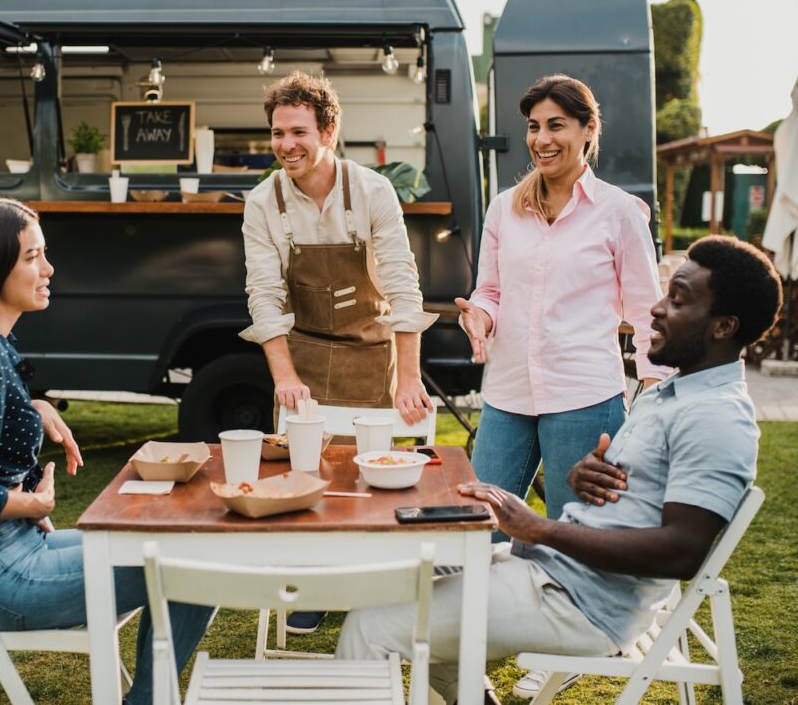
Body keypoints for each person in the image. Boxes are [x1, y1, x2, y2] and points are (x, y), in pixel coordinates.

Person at [338, 235, 782, 704]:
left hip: (581, 603)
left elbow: (681, 551)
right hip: (556, 574)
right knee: (398, 577)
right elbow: (637, 494)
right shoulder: (671, 393)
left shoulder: (716, 416)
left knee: (371, 626)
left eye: (677, 300)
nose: (654, 309)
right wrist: (583, 476)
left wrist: (539, 529)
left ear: (723, 326)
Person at [0, 198, 212, 705]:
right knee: (193, 566)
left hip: (7, 553)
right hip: (1, 576)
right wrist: (32, 504)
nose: (48, 269)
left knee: (182, 547)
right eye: (32, 257)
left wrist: (31, 406)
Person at [240, 70, 437, 634]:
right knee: (305, 476)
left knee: (367, 478)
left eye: (298, 131)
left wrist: (407, 378)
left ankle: (368, 582)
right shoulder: (263, 202)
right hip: (301, 355)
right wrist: (283, 375)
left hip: (369, 351)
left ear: (328, 131)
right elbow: (264, 292)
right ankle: (312, 586)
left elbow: (402, 285)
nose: (286, 145)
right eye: (278, 133)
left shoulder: (372, 192)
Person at [456, 74, 672, 537]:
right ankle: (489, 611)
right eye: (534, 127)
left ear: (588, 129)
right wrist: (480, 315)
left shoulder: (619, 212)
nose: (542, 139)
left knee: (576, 537)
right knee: (477, 527)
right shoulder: (503, 209)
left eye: (557, 125)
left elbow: (647, 311)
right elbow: (490, 292)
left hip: (586, 398)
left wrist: (653, 390)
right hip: (508, 394)